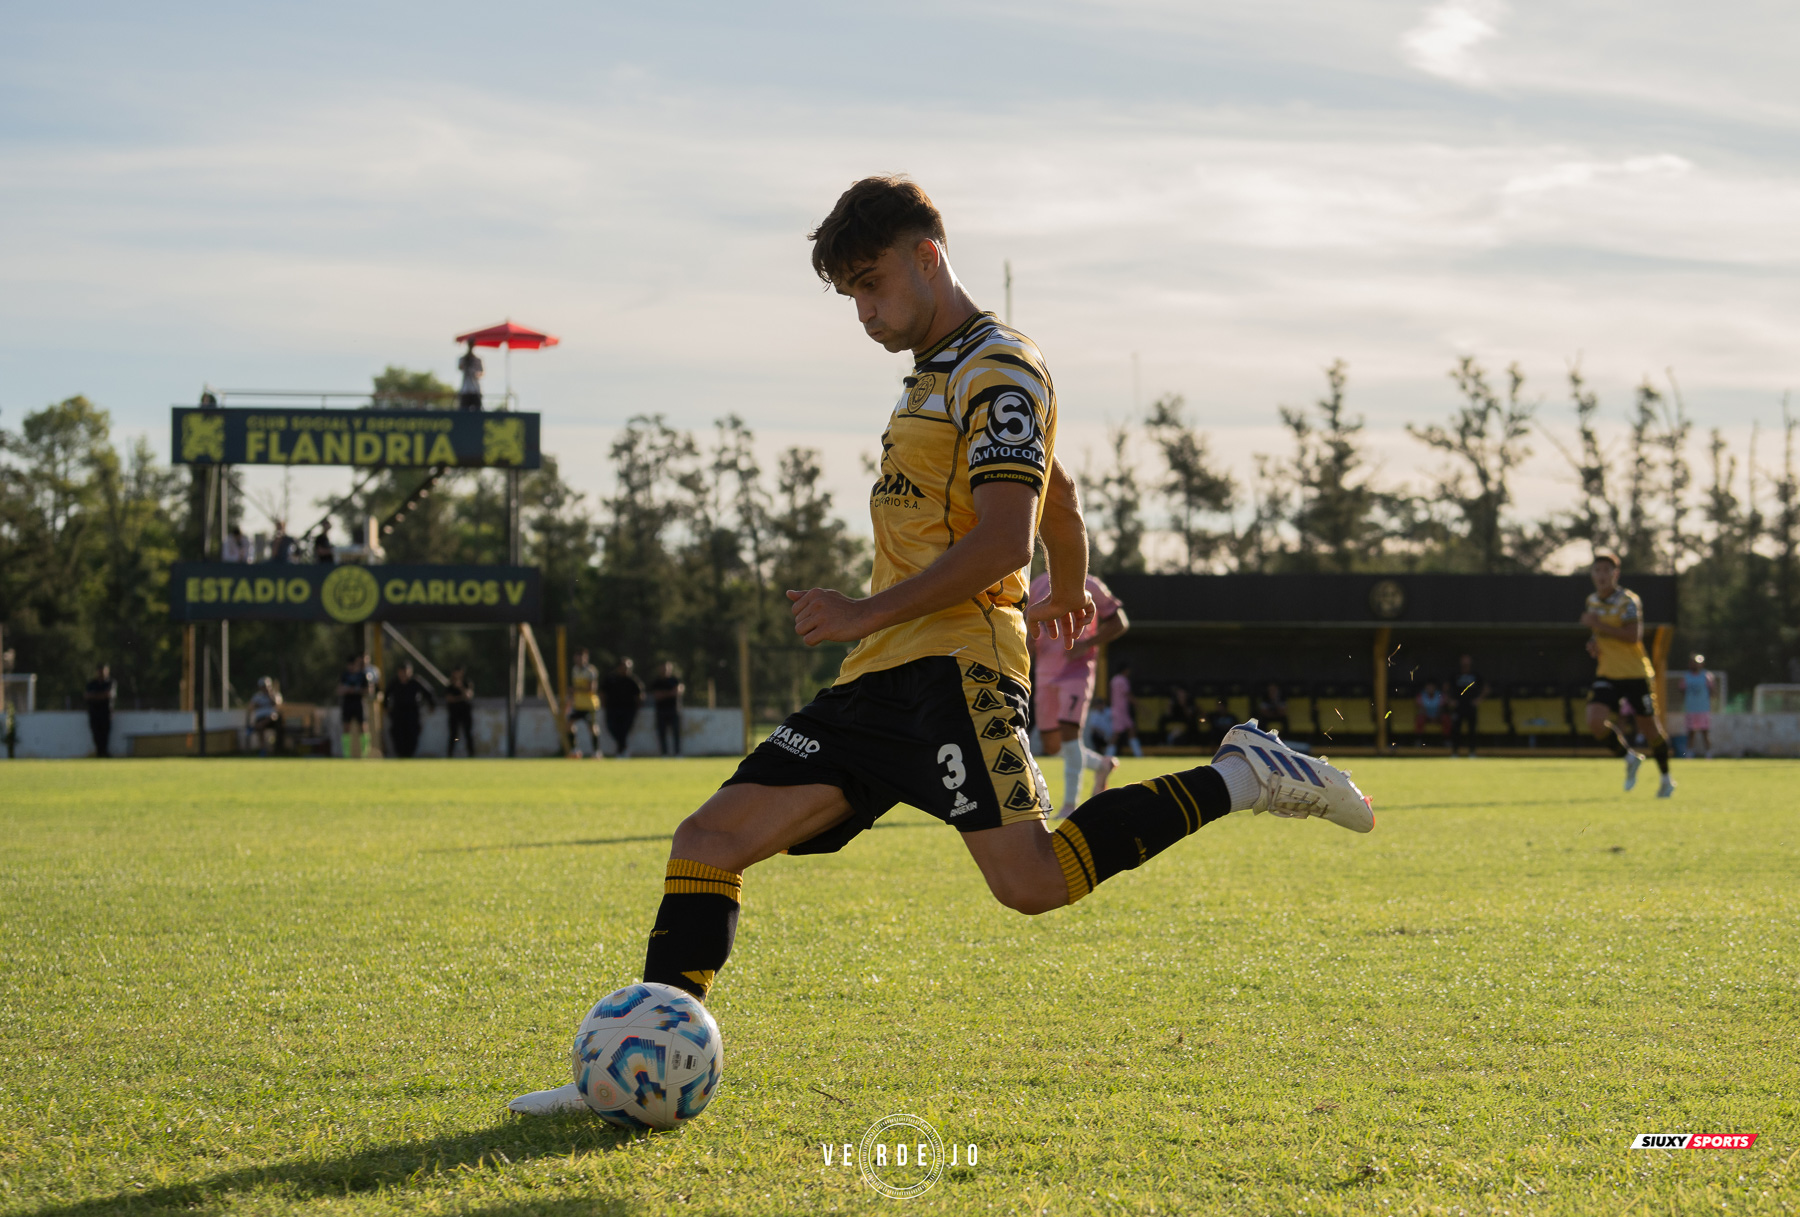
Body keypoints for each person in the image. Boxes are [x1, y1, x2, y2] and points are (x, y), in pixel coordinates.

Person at [505, 174, 1374, 1115]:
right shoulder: (939, 373)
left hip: (957, 668)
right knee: (707, 840)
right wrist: (1069, 583)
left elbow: (1003, 540)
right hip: (882, 675)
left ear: (927, 256)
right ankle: (634, 1068)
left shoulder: (999, 368)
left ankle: (1241, 774)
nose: (865, 312)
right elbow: (1059, 491)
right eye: (851, 296)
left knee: (1032, 882)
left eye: (872, 284)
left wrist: (865, 610)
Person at [1028, 569, 1126, 817]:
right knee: (1052, 745)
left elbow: (1120, 622)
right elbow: (1027, 626)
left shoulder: (1090, 584)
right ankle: (1101, 764)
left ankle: (1070, 806)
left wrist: (1086, 644)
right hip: (1044, 672)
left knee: (1070, 735)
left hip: (1076, 671)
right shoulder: (1037, 584)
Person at [1582, 550, 1674, 797]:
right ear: (1592, 574)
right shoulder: (1592, 601)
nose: (1602, 575)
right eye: (1597, 570)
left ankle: (1666, 778)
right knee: (1594, 721)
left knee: (1650, 729)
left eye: (1606, 570)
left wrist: (1597, 624)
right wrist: (1594, 644)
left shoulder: (1628, 601)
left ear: (1616, 574)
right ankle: (1630, 758)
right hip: (1607, 673)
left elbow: (1633, 636)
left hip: (1635, 673)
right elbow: (1599, 635)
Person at [383, 663, 435, 759]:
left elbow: (429, 692)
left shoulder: (415, 682)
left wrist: (431, 705)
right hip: (398, 713)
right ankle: (400, 755)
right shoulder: (394, 682)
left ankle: (409, 755)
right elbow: (386, 694)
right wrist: (385, 706)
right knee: (398, 734)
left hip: (412, 713)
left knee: (412, 734)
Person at [601, 658, 644, 758]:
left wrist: (638, 706)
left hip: (628, 710)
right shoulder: (610, 679)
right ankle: (623, 748)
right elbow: (603, 692)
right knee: (612, 729)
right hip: (612, 709)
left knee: (624, 730)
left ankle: (621, 750)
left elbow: (639, 695)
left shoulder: (632, 680)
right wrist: (603, 705)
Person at [1448, 655, 1486, 757]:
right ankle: (1455, 752)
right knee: (1456, 730)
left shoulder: (1475, 675)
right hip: (1458, 706)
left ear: (1470, 663)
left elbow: (1486, 688)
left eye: (1467, 662)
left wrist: (1479, 699)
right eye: (1464, 662)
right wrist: (1450, 700)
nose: (1465, 664)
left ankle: (1472, 752)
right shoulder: (1455, 675)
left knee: (1472, 730)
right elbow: (1445, 688)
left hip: (1471, 706)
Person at [567, 648, 601, 758]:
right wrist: (570, 702)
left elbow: (592, 689)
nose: (579, 660)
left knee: (592, 727)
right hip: (578, 704)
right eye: (577, 657)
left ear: (586, 658)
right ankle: (575, 750)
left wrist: (576, 689)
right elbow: (574, 690)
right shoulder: (575, 670)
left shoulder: (591, 671)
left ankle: (596, 752)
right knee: (569, 724)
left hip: (589, 705)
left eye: (581, 657)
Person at [336, 652, 371, 758]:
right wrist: (346, 690)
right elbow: (339, 690)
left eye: (353, 664)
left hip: (359, 703)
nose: (351, 667)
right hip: (347, 704)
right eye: (350, 664)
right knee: (346, 728)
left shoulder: (362, 675)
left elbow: (368, 690)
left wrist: (354, 690)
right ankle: (346, 754)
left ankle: (365, 753)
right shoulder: (345, 675)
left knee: (363, 727)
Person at [1681, 654, 1716, 758]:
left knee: (1705, 732)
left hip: (1703, 709)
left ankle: (1708, 753)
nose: (1694, 665)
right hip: (1691, 709)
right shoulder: (1686, 677)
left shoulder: (1707, 676)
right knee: (1690, 733)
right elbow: (1682, 690)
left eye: (1697, 663)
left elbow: (1712, 691)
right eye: (1693, 663)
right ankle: (1689, 754)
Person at [649, 661, 686, 756]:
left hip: (674, 710)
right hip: (661, 710)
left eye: (667, 668)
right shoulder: (657, 682)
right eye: (663, 668)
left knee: (676, 732)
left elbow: (678, 691)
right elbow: (657, 696)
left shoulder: (675, 680)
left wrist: (664, 694)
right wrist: (670, 693)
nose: (665, 670)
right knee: (662, 733)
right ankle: (664, 753)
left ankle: (677, 753)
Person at [1108, 660, 1142, 758]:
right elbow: (1127, 694)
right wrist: (1139, 705)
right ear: (1125, 670)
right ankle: (1108, 755)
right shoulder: (1122, 680)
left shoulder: (1114, 679)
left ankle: (1138, 754)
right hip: (1120, 711)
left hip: (1119, 710)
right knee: (1117, 734)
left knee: (1131, 730)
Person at [247, 676, 283, 756]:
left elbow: (277, 704)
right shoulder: (257, 696)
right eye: (263, 687)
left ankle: (254, 727)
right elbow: (252, 707)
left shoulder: (275, 695)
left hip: (273, 719)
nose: (265, 688)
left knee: (272, 716)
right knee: (260, 729)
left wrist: (270, 695)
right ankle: (263, 749)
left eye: (266, 686)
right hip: (260, 718)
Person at [84, 664, 115, 758]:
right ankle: (99, 752)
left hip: (106, 712)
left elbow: (109, 695)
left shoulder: (110, 683)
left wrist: (95, 696)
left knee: (105, 733)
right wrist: (101, 696)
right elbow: (87, 696)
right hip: (94, 712)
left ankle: (104, 752)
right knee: (96, 732)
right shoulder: (91, 683)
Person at [445, 668, 476, 757]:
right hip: (454, 713)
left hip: (465, 712)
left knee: (468, 733)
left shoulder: (466, 683)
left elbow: (468, 695)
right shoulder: (450, 686)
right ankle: (450, 754)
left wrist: (461, 687)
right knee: (453, 734)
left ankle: (471, 754)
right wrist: (461, 698)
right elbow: (449, 699)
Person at [457, 341, 484, 411]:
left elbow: (481, 372)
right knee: (463, 411)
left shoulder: (477, 360)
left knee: (478, 411)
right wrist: (467, 360)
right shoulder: (463, 358)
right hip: (465, 389)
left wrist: (475, 374)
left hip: (475, 389)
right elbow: (460, 367)